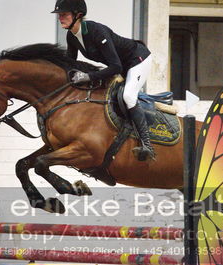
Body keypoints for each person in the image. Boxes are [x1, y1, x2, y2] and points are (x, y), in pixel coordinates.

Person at [51, 0, 154, 161]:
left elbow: (116, 67)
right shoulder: (71, 36)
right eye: (59, 15)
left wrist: (88, 76)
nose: (60, 18)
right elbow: (70, 64)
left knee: (128, 96)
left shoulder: (96, 31)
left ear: (78, 15)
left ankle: (147, 145)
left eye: (63, 14)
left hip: (138, 59)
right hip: (122, 65)